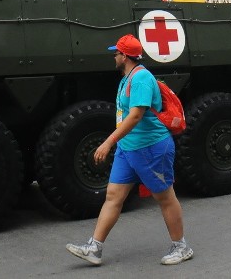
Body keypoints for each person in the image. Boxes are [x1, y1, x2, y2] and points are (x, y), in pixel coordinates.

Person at [66, 34, 192, 266]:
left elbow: (135, 116)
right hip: (129, 148)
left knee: (165, 197)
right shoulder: (128, 77)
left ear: (124, 56)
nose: (113, 56)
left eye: (116, 53)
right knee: (113, 196)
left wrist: (108, 142)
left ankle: (181, 247)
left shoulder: (141, 78)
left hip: (151, 148)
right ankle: (95, 248)